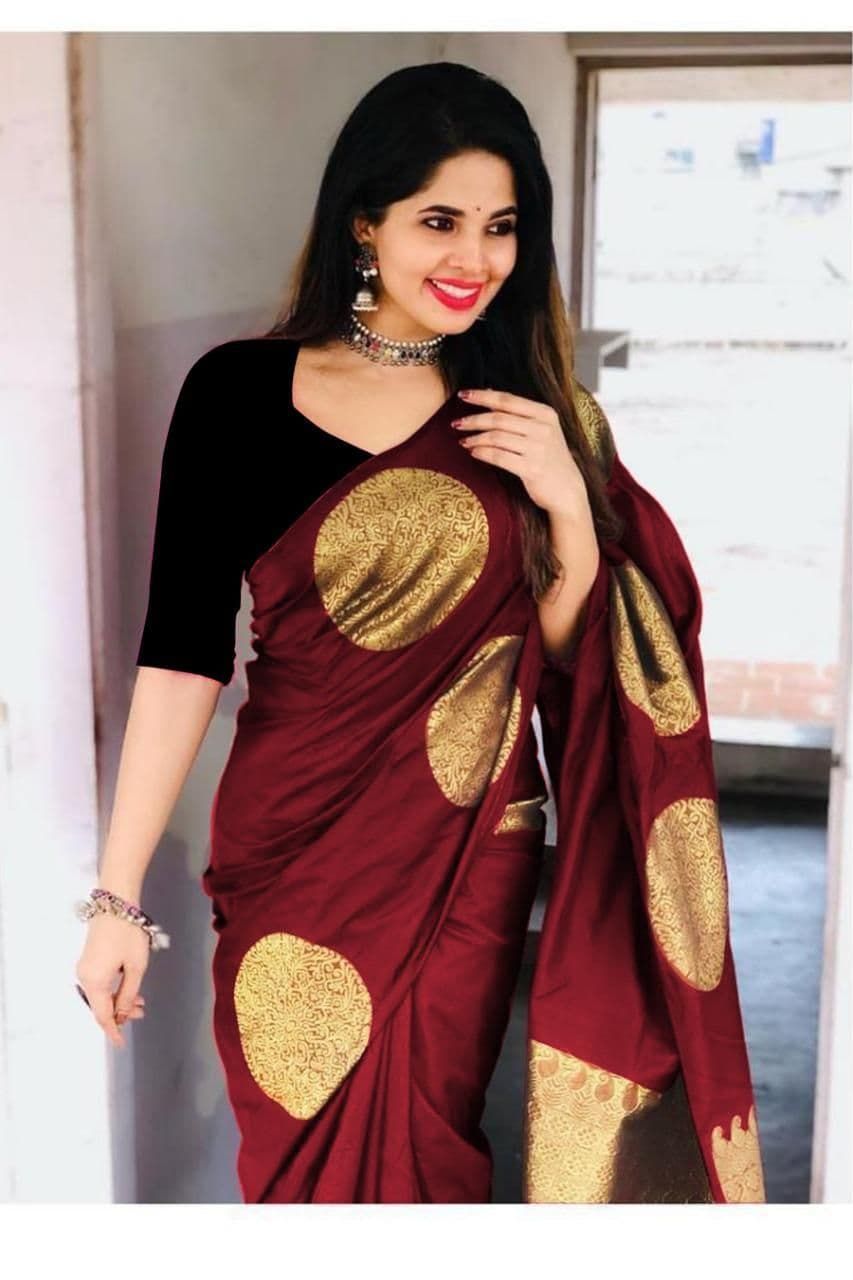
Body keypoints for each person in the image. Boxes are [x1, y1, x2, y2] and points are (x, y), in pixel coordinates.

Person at [73, 61, 766, 1204]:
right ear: (365, 221)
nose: (473, 257)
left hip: (466, 849)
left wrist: (567, 508)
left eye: (501, 225)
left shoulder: (535, 409)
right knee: (291, 1157)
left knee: (429, 1154)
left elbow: (571, 653)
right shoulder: (237, 393)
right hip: (290, 843)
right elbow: (182, 656)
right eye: (439, 220)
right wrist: (116, 898)